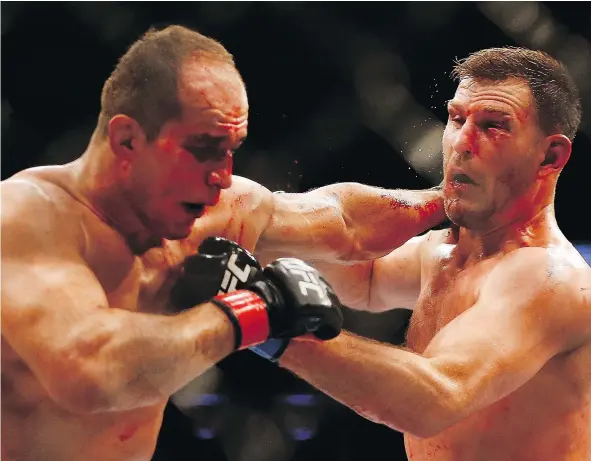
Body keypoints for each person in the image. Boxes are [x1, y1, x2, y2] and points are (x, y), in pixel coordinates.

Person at [1, 25, 445, 461]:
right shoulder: (28, 219)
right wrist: (254, 311)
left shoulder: (214, 211)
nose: (224, 175)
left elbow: (343, 221)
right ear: (127, 139)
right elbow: (92, 371)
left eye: (232, 148)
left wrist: (448, 200)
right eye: (205, 148)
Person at [253, 47, 591, 461]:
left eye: (493, 126)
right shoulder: (445, 252)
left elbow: (437, 397)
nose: (462, 143)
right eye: (457, 118)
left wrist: (273, 327)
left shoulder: (548, 278)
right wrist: (261, 226)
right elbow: (364, 279)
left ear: (550, 156)